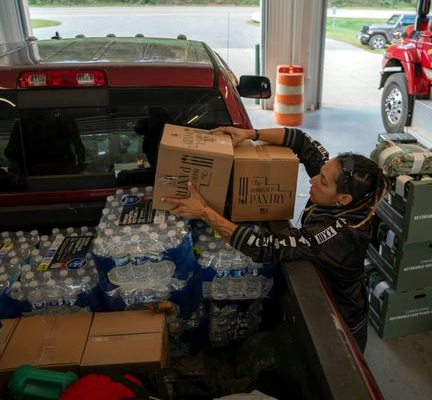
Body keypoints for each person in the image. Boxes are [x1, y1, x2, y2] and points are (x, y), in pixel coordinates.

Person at [163, 126, 389, 351]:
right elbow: (302, 140)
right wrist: (251, 134)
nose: (312, 181)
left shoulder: (337, 235)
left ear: (344, 199)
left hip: (338, 319)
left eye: (322, 181)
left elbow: (265, 246)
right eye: (320, 174)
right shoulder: (339, 184)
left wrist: (204, 212)